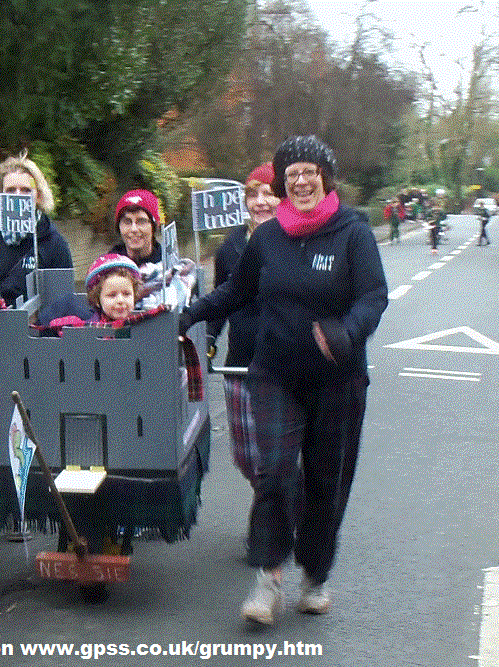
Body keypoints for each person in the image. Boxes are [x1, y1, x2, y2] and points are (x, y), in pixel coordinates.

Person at [179, 135, 388, 625]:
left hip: (338, 380)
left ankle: (315, 576)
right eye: (291, 173)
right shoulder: (267, 239)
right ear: (282, 183)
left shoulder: (353, 233)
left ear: (325, 177)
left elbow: (374, 296)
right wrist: (189, 315)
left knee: (325, 479)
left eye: (309, 171)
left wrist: (347, 332)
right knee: (274, 472)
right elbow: (236, 290)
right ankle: (268, 578)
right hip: (275, 375)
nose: (300, 180)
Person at [0, 154, 73, 470]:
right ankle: (6, 480)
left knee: (38, 420)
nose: (17, 198)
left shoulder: (54, 244)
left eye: (25, 191)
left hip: (40, 345)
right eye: (10, 191)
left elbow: (64, 299)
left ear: (38, 195)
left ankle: (37, 486)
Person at [208, 163, 279, 485]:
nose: (260, 201)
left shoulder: (297, 243)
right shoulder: (230, 248)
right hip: (240, 364)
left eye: (269, 193)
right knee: (246, 456)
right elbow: (222, 299)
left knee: (281, 453)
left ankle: (275, 514)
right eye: (253, 194)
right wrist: (206, 340)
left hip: (285, 366)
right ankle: (268, 498)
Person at [110, 188, 195, 309]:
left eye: (141, 221)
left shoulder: (172, 269)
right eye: (127, 222)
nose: (133, 229)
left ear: (154, 226)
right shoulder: (105, 271)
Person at [47, 254, 144, 329]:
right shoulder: (91, 325)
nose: (120, 300)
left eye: (127, 294)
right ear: (97, 300)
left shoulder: (140, 324)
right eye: (112, 295)